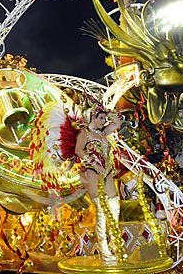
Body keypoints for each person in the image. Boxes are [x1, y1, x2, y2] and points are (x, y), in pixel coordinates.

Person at [74, 105, 123, 261]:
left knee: (115, 205)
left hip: (107, 170)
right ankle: (104, 249)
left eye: (104, 118)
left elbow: (117, 123)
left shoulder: (103, 132)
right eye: (100, 118)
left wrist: (108, 112)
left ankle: (115, 243)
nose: (104, 121)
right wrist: (93, 163)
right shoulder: (85, 133)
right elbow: (78, 150)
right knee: (101, 209)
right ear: (92, 118)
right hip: (92, 170)